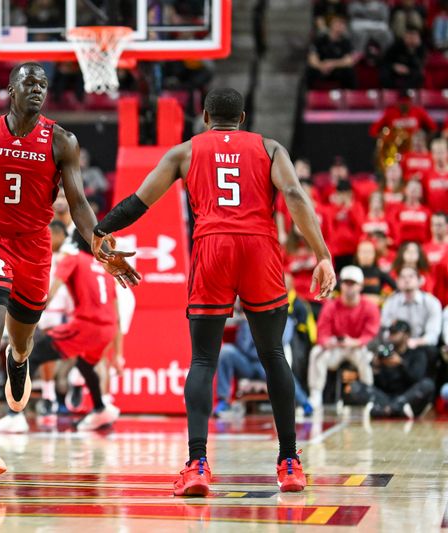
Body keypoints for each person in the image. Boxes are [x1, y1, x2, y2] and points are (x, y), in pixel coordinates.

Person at [90, 88, 335, 495]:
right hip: (259, 247)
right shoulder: (269, 147)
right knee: (274, 354)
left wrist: (102, 230)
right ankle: (290, 462)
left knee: (204, 359)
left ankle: (198, 464)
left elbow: (140, 200)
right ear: (242, 118)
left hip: (212, 247)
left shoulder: (185, 151)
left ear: (204, 116)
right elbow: (294, 194)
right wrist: (322, 254)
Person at [0, 63, 137, 480]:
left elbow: (79, 202)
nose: (38, 90)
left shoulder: (62, 140)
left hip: (33, 248)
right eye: (29, 83)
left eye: (43, 85)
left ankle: (20, 359)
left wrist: (98, 242)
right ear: (11, 89)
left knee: (20, 339)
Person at [0, 230, 122, 432]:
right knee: (85, 365)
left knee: (32, 354)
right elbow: (117, 313)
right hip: (108, 329)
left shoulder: (72, 259)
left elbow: (51, 292)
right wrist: (118, 353)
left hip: (86, 325)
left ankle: (15, 415)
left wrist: (28, 314)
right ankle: (100, 409)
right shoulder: (104, 268)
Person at [307, 265, 380, 409]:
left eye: (353, 283)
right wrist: (327, 342)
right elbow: (321, 333)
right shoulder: (331, 306)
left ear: (360, 286)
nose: (349, 287)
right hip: (336, 348)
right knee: (316, 353)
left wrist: (355, 342)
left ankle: (368, 393)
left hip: (357, 347)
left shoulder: (370, 307)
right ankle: (315, 393)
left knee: (365, 357)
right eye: (346, 283)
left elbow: (372, 335)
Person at [214, 314, 313, 417]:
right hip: (247, 363)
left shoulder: (285, 318)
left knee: (282, 370)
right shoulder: (247, 317)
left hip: (268, 363)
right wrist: (248, 323)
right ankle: (223, 401)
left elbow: (279, 343)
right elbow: (243, 346)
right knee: (226, 351)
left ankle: (304, 403)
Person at [344, 320, 435, 418]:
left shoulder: (417, 354)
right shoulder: (385, 354)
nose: (391, 335)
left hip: (407, 396)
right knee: (355, 386)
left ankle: (390, 409)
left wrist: (401, 364)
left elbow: (416, 378)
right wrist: (376, 367)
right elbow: (379, 385)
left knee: (428, 384)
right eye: (391, 332)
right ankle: (392, 409)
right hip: (386, 397)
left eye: (395, 332)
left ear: (406, 335)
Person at [380, 266, 442, 350]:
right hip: (396, 345)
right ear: (397, 281)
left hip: (421, 345)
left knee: (430, 350)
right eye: (403, 277)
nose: (407, 280)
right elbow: (385, 328)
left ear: (420, 281)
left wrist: (415, 342)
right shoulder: (390, 302)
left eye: (411, 276)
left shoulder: (432, 302)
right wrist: (395, 339)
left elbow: (433, 335)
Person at [307, 16, 356, 89]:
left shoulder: (346, 42)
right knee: (310, 70)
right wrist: (321, 66)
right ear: (331, 25)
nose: (340, 26)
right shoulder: (320, 40)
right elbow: (312, 58)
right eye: (338, 23)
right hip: (321, 69)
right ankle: (308, 95)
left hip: (337, 69)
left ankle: (350, 96)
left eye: (342, 24)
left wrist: (332, 64)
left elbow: (349, 61)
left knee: (349, 71)